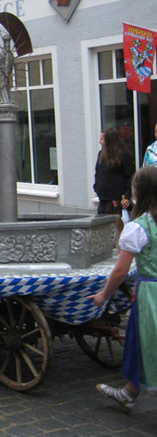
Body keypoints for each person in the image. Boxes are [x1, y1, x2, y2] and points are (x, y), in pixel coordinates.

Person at [89, 166, 157, 414]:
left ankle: (130, 392)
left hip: (152, 293)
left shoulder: (140, 227)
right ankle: (129, 391)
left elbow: (120, 271)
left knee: (147, 341)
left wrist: (103, 295)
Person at [94, 128, 134, 239]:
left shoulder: (123, 154)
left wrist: (127, 196)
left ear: (109, 140)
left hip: (116, 196)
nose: (100, 142)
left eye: (102, 139)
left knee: (116, 222)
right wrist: (96, 187)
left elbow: (130, 177)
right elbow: (98, 172)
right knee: (102, 224)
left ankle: (120, 249)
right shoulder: (101, 154)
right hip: (103, 196)